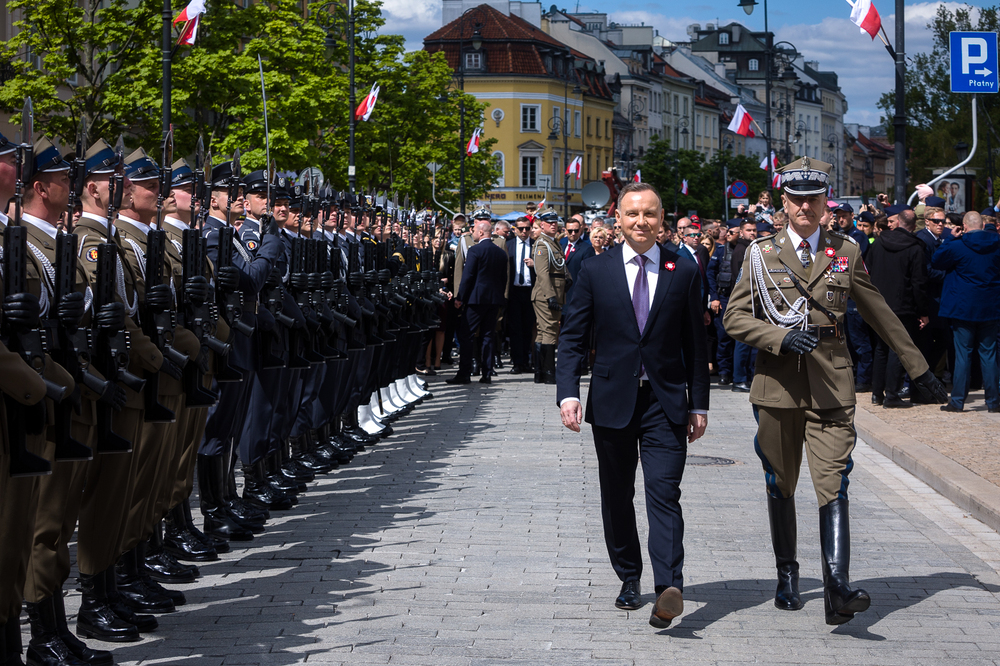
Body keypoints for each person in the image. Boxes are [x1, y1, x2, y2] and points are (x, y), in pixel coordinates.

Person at [724, 157, 947, 626]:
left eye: (814, 199)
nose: (806, 206)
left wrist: (918, 367)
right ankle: (787, 573)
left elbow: (879, 311)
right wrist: (780, 337)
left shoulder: (846, 249)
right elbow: (735, 318)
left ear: (826, 203)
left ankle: (836, 586)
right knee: (780, 482)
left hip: (831, 384)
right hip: (778, 385)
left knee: (834, 482)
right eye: (797, 199)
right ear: (783, 202)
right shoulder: (760, 253)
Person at [556, 181, 709, 630]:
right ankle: (628, 576)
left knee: (665, 494)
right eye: (633, 214)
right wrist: (568, 392)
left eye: (650, 214)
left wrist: (698, 403)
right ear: (618, 220)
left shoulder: (683, 269)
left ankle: (668, 587)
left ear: (662, 219)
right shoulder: (594, 269)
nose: (641, 221)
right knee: (618, 497)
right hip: (612, 401)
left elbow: (695, 345)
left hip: (665, 402)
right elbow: (572, 338)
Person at [932, 211, 1000, 413]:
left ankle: (958, 401)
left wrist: (950, 238)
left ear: (965, 226)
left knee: (963, 355)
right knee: (989, 354)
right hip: (990, 306)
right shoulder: (997, 244)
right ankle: (994, 401)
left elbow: (936, 260)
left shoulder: (957, 245)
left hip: (963, 307)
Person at [865, 207, 929, 408]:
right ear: (914, 225)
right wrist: (923, 311)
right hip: (903, 305)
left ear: (898, 222)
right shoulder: (915, 247)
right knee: (898, 350)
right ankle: (892, 394)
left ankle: (877, 393)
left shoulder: (879, 243)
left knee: (881, 348)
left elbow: (867, 271)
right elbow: (919, 283)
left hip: (879, 303)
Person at [447, 220, 509, 385]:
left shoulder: (475, 251)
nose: (472, 233)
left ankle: (464, 373)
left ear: (481, 232)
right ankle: (486, 373)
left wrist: (460, 297)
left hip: (475, 300)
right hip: (493, 300)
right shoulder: (501, 253)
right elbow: (504, 278)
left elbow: (467, 277)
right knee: (488, 335)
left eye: (474, 230)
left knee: (466, 334)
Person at [530, 210, 568, 384]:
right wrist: (551, 296)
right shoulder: (542, 244)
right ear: (542, 225)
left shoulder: (553, 243)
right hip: (547, 294)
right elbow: (543, 273)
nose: (553, 225)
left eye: (555, 222)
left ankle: (540, 372)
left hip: (554, 292)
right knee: (550, 332)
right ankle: (548, 372)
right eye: (549, 222)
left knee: (543, 332)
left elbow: (560, 266)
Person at [707, 220, 741, 385]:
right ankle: (724, 372)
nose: (727, 235)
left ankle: (738, 373)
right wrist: (714, 297)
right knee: (724, 337)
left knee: (741, 338)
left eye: (731, 232)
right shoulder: (720, 251)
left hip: (741, 299)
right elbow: (711, 274)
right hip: (724, 299)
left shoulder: (747, 250)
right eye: (726, 232)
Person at [506, 217, 535, 374]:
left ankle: (526, 361)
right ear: (515, 229)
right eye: (521, 228)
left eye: (527, 228)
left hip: (530, 291)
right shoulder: (509, 245)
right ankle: (517, 362)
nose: (524, 231)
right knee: (515, 328)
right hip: (514, 291)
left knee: (528, 328)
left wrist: (534, 263)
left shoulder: (536, 244)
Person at [560, 215, 595, 294]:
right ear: (565, 231)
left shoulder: (587, 249)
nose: (573, 233)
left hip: (577, 292)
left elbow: (588, 274)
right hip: (561, 291)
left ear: (580, 230)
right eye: (570, 231)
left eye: (576, 230)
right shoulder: (561, 245)